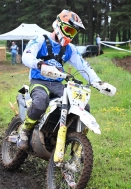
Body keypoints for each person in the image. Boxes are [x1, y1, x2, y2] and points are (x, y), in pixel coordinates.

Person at [19, 10, 116, 150]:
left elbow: (83, 65)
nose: (70, 35)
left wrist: (97, 82)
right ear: (58, 25)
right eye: (68, 30)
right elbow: (26, 56)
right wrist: (39, 64)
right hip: (39, 81)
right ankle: (25, 130)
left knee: (83, 105)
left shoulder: (69, 49)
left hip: (58, 84)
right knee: (40, 102)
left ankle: (69, 137)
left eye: (73, 33)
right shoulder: (41, 39)